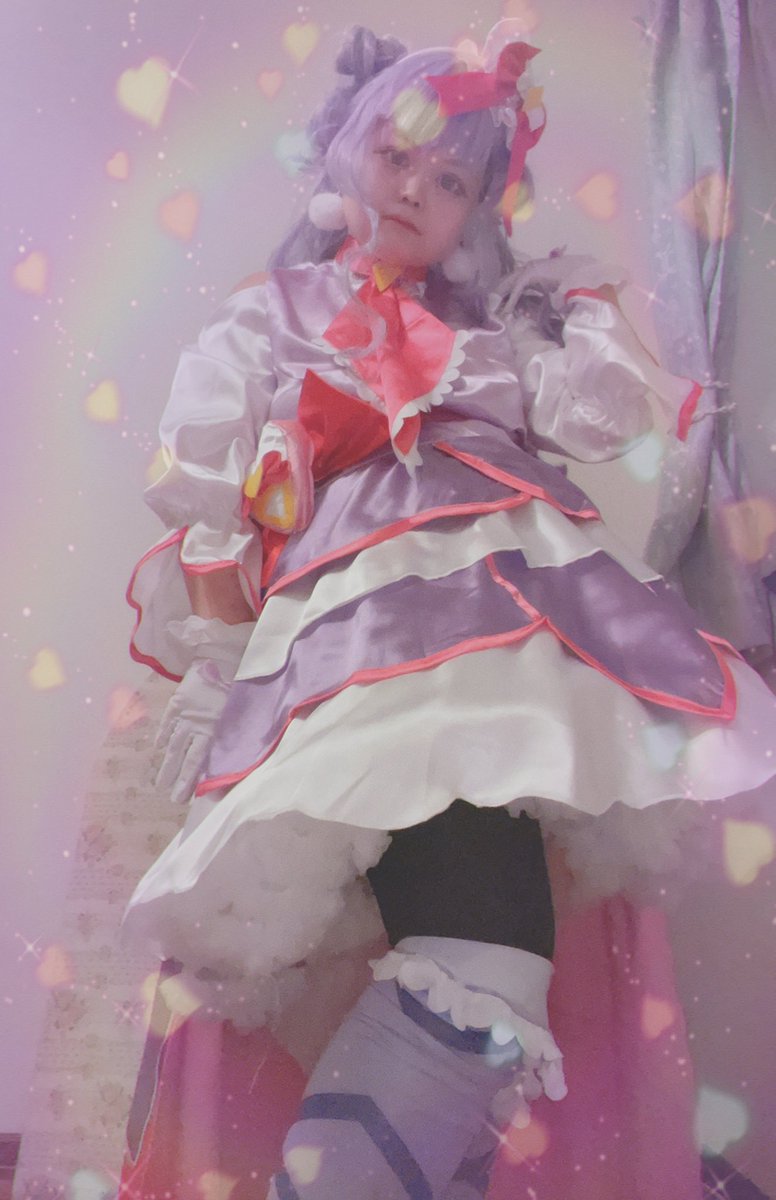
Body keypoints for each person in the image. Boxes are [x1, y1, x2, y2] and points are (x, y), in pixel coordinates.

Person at [123, 25, 776, 1200]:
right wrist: (219, 670)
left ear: (478, 208)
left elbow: (601, 413)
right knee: (481, 959)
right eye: (396, 156)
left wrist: (580, 303)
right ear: (346, 150)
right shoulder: (270, 315)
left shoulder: (493, 332)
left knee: (493, 968)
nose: (413, 192)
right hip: (363, 646)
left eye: (451, 180)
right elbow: (206, 497)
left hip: (512, 642)